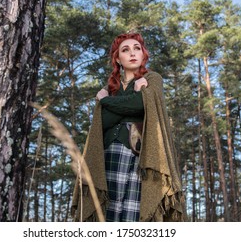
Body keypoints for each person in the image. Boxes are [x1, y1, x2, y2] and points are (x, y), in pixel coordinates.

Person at [71, 32, 184, 222]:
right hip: (109, 156)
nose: (132, 53)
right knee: (109, 214)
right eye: (125, 50)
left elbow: (140, 105)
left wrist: (106, 101)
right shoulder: (111, 88)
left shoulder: (152, 78)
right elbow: (103, 122)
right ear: (118, 59)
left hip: (141, 156)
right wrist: (132, 100)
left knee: (134, 214)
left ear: (143, 54)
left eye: (137, 48)